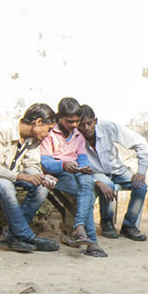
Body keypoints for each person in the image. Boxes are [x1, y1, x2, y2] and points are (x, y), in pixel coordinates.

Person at [0, 104, 61, 253]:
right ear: (38, 122)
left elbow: (31, 164)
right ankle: (26, 236)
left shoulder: (34, 138)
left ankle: (12, 236)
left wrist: (41, 177)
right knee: (6, 186)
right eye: (48, 129)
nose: (48, 134)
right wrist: (23, 176)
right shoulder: (2, 130)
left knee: (41, 188)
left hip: (9, 174)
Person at [40, 97, 104, 257]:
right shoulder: (50, 133)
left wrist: (84, 167)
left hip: (75, 171)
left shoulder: (78, 136)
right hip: (58, 174)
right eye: (70, 121)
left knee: (88, 182)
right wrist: (63, 165)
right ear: (59, 117)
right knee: (87, 195)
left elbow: (81, 157)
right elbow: (45, 162)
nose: (74, 125)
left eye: (77, 121)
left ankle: (80, 226)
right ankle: (92, 241)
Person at [77, 105, 148, 241]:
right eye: (81, 125)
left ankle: (129, 225)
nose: (86, 128)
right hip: (94, 173)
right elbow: (76, 165)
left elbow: (140, 143)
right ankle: (106, 222)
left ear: (95, 121)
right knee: (107, 185)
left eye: (89, 123)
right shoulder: (76, 137)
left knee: (141, 186)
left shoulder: (109, 127)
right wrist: (96, 181)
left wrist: (141, 171)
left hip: (117, 169)